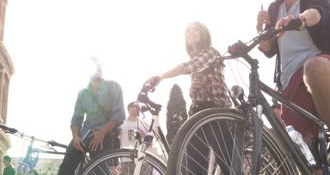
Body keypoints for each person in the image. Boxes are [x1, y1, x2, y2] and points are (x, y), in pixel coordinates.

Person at [257, 0, 330, 165]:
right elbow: (268, 48)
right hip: (290, 86)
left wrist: (300, 19)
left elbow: (318, 13)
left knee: (313, 68)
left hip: (324, 67)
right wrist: (260, 30)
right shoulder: (275, 9)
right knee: (307, 160)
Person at [143, 21, 232, 174]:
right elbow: (197, 91)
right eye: (187, 31)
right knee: (194, 163)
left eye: (194, 30)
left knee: (228, 165)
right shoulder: (197, 59)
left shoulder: (211, 53)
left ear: (203, 34)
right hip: (198, 111)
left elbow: (187, 66)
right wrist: (193, 90)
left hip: (217, 112)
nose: (190, 33)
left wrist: (160, 77)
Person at [58, 58, 126, 175]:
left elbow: (119, 114)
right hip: (84, 135)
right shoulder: (83, 93)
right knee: (65, 168)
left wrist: (102, 132)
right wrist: (75, 136)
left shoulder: (113, 86)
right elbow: (77, 118)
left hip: (106, 134)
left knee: (99, 170)